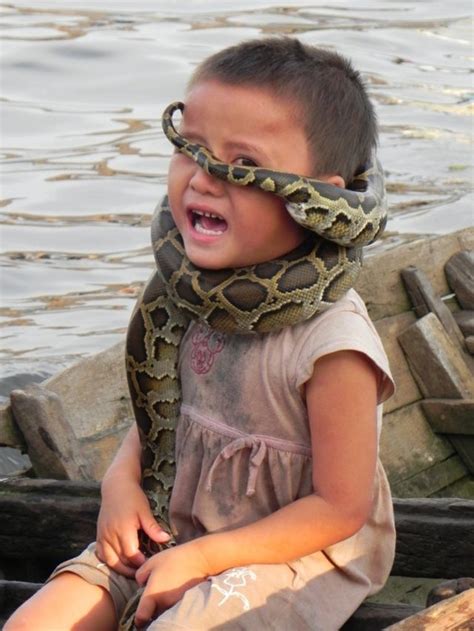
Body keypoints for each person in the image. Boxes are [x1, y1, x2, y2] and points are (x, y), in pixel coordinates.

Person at [6, 37, 395, 631]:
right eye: (192, 148)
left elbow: (342, 509)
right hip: (179, 522)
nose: (206, 178)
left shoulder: (334, 344)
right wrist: (118, 482)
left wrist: (206, 557)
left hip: (294, 553)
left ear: (323, 199)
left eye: (243, 166)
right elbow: (164, 418)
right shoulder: (181, 295)